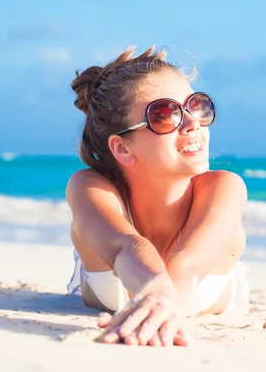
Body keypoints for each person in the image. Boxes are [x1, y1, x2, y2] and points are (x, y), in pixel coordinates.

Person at [65, 46, 249, 347]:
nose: (193, 124)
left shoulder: (225, 187)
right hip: (112, 272)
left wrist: (163, 295)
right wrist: (155, 288)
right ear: (123, 148)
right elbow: (126, 246)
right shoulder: (90, 188)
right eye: (165, 115)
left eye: (196, 105)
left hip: (203, 278)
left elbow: (185, 265)